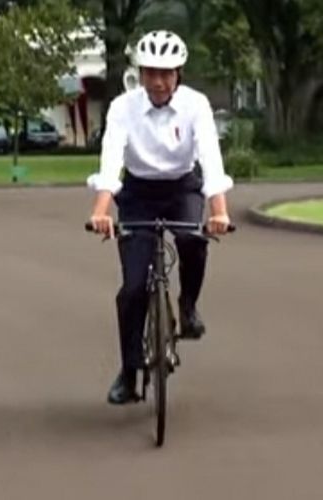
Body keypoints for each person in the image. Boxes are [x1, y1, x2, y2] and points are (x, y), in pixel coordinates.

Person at [86, 30, 234, 405]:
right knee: (133, 289)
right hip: (137, 194)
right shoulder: (123, 107)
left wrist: (219, 212)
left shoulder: (196, 105)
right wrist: (101, 211)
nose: (159, 81)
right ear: (140, 72)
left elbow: (210, 159)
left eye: (167, 73)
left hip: (182, 187)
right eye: (151, 72)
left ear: (179, 72)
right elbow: (111, 162)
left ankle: (187, 305)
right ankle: (130, 371)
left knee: (193, 239)